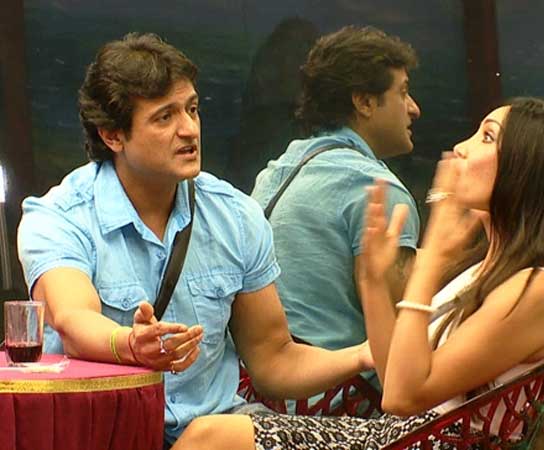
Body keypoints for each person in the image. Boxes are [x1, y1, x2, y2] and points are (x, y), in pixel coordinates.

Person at [171, 97, 544, 449]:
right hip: (398, 436)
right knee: (209, 433)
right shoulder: (488, 267)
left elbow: (402, 396)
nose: (461, 147)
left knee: (212, 438)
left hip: (415, 441)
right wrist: (373, 282)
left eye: (487, 137)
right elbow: (395, 372)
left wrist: (429, 263)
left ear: (529, 170)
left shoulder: (540, 287)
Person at [16, 33, 372, 447]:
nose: (189, 130)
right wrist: (129, 344)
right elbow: (73, 319)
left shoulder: (236, 217)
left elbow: (274, 359)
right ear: (113, 135)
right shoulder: (59, 216)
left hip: (216, 428)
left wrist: (363, 354)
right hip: (106, 434)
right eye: (164, 117)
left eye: (192, 109)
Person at [250, 26, 421, 392]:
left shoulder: (275, 173)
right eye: (403, 92)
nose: (414, 108)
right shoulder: (379, 191)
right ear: (364, 102)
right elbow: (405, 336)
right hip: (342, 399)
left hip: (260, 388)